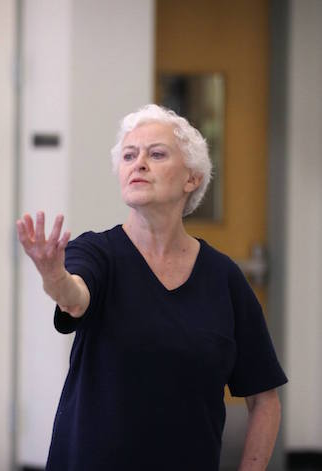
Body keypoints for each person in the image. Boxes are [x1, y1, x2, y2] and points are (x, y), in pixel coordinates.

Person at [17, 104, 287, 470]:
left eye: (156, 154)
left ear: (192, 178)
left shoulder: (224, 278)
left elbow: (264, 399)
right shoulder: (98, 252)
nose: (139, 163)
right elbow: (76, 298)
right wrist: (54, 276)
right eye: (129, 155)